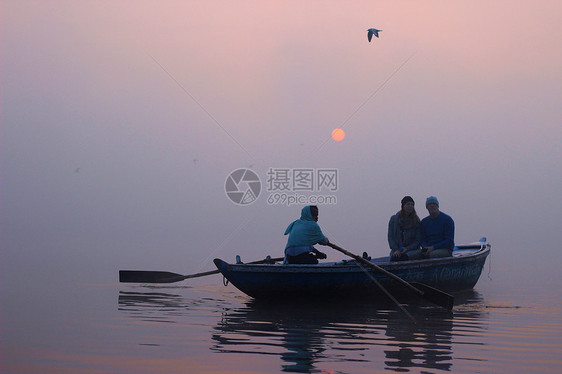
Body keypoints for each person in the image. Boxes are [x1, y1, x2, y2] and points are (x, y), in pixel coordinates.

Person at [387, 196, 422, 261]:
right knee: (395, 258)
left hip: (412, 250)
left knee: (405, 257)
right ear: (403, 206)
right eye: (408, 204)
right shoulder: (394, 220)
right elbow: (390, 237)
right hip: (397, 250)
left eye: (412, 204)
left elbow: (418, 240)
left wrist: (407, 248)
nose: (410, 206)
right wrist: (396, 249)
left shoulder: (416, 221)